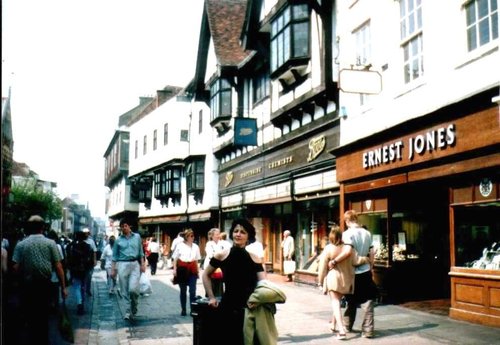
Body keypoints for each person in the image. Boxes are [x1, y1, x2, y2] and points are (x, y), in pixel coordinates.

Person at [202, 218, 266, 345]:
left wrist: (258, 300)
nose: (238, 234)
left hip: (249, 309)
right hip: (228, 307)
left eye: (242, 232)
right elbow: (205, 275)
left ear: (248, 236)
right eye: (236, 231)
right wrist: (211, 297)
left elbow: (264, 284)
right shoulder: (222, 255)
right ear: (231, 233)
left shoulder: (255, 258)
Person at [12, 215, 68, 345]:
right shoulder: (50, 243)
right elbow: (59, 266)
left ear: (29, 228)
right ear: (43, 228)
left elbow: (15, 267)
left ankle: (32, 339)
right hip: (44, 285)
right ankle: (43, 340)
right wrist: (63, 287)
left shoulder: (21, 244)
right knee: (43, 315)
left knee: (30, 314)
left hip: (27, 285)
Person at [318, 225, 370, 340]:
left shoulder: (328, 248)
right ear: (341, 236)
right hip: (346, 280)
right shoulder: (349, 249)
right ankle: (332, 324)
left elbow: (322, 268)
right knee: (337, 302)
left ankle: (341, 330)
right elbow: (357, 261)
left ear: (331, 237)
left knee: (335, 303)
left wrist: (320, 282)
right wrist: (367, 259)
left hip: (333, 279)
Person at [330, 210, 377, 338]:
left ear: (347, 221)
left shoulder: (347, 234)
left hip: (352, 272)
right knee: (367, 301)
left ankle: (347, 325)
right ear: (356, 219)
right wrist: (371, 267)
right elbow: (372, 252)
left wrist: (334, 261)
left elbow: (347, 251)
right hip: (365, 270)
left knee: (351, 300)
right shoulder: (367, 233)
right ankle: (368, 330)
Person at [111, 218, 146, 320]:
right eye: (122, 227)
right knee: (124, 290)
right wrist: (113, 270)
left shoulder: (137, 237)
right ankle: (127, 312)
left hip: (135, 264)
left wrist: (142, 264)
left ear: (129, 226)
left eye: (125, 226)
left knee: (133, 289)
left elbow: (141, 252)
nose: (124, 228)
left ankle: (134, 305)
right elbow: (114, 257)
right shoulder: (118, 241)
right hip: (122, 265)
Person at [172, 228, 201, 316]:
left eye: (193, 236)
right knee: (183, 290)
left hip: (192, 268)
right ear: (186, 237)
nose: (193, 237)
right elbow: (175, 258)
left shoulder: (196, 246)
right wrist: (174, 269)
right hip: (182, 269)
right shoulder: (180, 246)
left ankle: (192, 309)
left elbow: (196, 260)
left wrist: (197, 271)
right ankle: (183, 309)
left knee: (193, 290)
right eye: (191, 236)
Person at [67, 230, 94, 315]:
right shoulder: (88, 246)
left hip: (74, 269)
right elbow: (90, 259)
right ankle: (82, 302)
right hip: (84, 269)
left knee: (77, 287)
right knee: (83, 286)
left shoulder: (70, 246)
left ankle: (79, 303)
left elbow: (68, 258)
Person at [47, 229, 66, 312]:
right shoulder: (57, 246)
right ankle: (55, 305)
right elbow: (61, 260)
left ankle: (50, 304)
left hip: (46, 271)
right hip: (55, 271)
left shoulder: (45, 244)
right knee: (55, 290)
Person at [203, 228, 224, 297]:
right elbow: (210, 254)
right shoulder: (209, 244)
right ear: (212, 236)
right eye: (216, 234)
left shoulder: (222, 243)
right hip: (211, 266)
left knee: (219, 286)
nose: (218, 236)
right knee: (211, 286)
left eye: (219, 234)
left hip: (220, 267)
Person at [82, 228, 97, 296]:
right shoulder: (80, 240)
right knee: (83, 276)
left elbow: (94, 251)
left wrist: (94, 260)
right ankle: (83, 288)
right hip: (82, 262)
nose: (86, 234)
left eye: (87, 233)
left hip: (89, 261)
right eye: (84, 233)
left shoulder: (91, 241)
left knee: (89, 276)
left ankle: (88, 289)